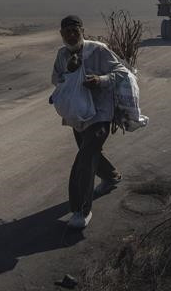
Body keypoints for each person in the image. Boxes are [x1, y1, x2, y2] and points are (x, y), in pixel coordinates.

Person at [51, 15, 125, 229]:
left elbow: (121, 72)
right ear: (61, 34)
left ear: (82, 30)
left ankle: (81, 210)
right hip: (77, 116)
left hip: (100, 113)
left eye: (75, 30)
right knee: (90, 152)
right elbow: (56, 78)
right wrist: (69, 77)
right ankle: (111, 177)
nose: (71, 35)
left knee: (84, 159)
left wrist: (100, 80)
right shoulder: (62, 54)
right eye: (67, 32)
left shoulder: (98, 50)